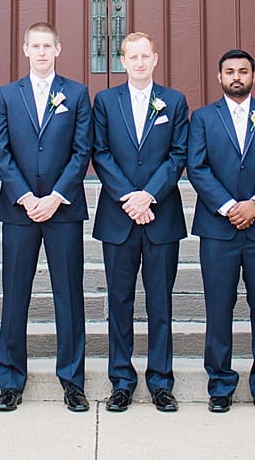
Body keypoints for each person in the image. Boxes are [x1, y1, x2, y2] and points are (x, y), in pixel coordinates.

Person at [0, 22, 93, 412]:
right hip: (19, 211)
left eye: (48, 46)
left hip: (63, 210)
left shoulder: (77, 93)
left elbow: (81, 150)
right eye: (35, 46)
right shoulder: (6, 95)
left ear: (59, 48)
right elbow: (1, 151)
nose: (42, 52)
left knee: (69, 296)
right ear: (25, 49)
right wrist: (25, 197)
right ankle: (11, 381)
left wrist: (55, 196)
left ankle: (72, 380)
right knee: (15, 296)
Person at [186, 48, 255, 414]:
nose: (236, 77)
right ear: (219, 77)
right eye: (229, 71)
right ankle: (220, 383)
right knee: (219, 307)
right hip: (218, 229)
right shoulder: (201, 118)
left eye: (243, 71)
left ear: (253, 76)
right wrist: (230, 206)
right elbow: (196, 167)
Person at [91, 31, 189, 413]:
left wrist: (149, 195)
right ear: (123, 60)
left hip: (161, 214)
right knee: (120, 301)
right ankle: (122, 380)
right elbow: (100, 153)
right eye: (132, 57)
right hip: (118, 216)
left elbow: (178, 154)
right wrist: (130, 198)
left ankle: (161, 381)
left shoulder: (174, 102)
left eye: (145, 56)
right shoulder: (105, 101)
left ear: (155, 58)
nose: (139, 62)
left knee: (160, 302)